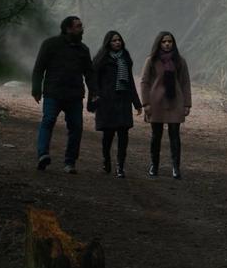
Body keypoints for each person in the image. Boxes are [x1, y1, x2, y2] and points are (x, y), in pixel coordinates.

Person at [31, 16, 97, 174]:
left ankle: (70, 162)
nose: (82, 29)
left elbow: (89, 74)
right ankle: (43, 154)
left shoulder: (83, 49)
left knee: (76, 128)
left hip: (74, 95)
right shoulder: (50, 44)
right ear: (68, 29)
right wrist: (36, 89)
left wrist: (94, 93)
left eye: (81, 26)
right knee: (48, 121)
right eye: (78, 26)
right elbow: (39, 67)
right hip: (53, 93)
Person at [140, 31, 192, 180]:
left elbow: (185, 82)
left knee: (174, 135)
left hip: (175, 101)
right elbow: (145, 82)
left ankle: (176, 167)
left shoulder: (180, 61)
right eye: (164, 42)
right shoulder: (151, 60)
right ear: (159, 43)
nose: (167, 44)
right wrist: (146, 103)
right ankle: (154, 165)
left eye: (170, 41)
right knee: (156, 135)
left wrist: (187, 104)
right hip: (156, 102)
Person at [90, 30, 142, 178]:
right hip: (107, 103)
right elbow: (94, 83)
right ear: (108, 43)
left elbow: (130, 82)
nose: (117, 42)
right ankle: (106, 161)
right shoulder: (101, 60)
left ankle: (120, 166)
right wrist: (93, 101)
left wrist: (136, 103)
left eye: (119, 40)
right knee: (108, 135)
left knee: (123, 134)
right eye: (114, 40)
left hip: (123, 101)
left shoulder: (125, 58)